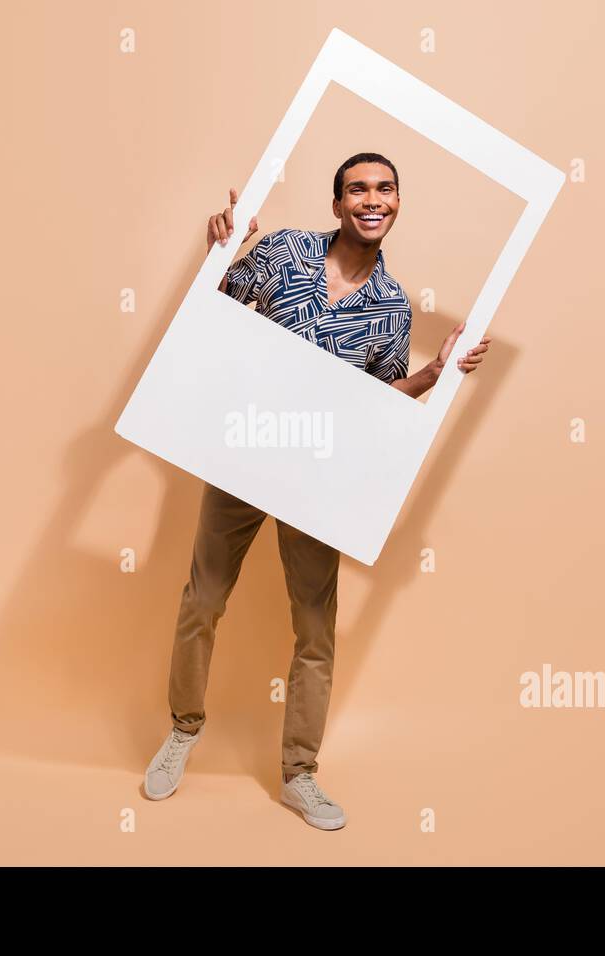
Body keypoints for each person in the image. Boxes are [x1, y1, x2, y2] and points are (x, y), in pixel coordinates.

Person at [143, 152, 491, 830]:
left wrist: (433, 375)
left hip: (317, 476)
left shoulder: (391, 306)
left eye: (385, 189)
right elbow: (210, 314)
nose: (372, 199)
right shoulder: (284, 252)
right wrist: (222, 253)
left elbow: (378, 403)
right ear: (338, 204)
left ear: (397, 204)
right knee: (202, 600)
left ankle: (299, 773)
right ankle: (183, 730)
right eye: (358, 189)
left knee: (314, 629)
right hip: (245, 452)